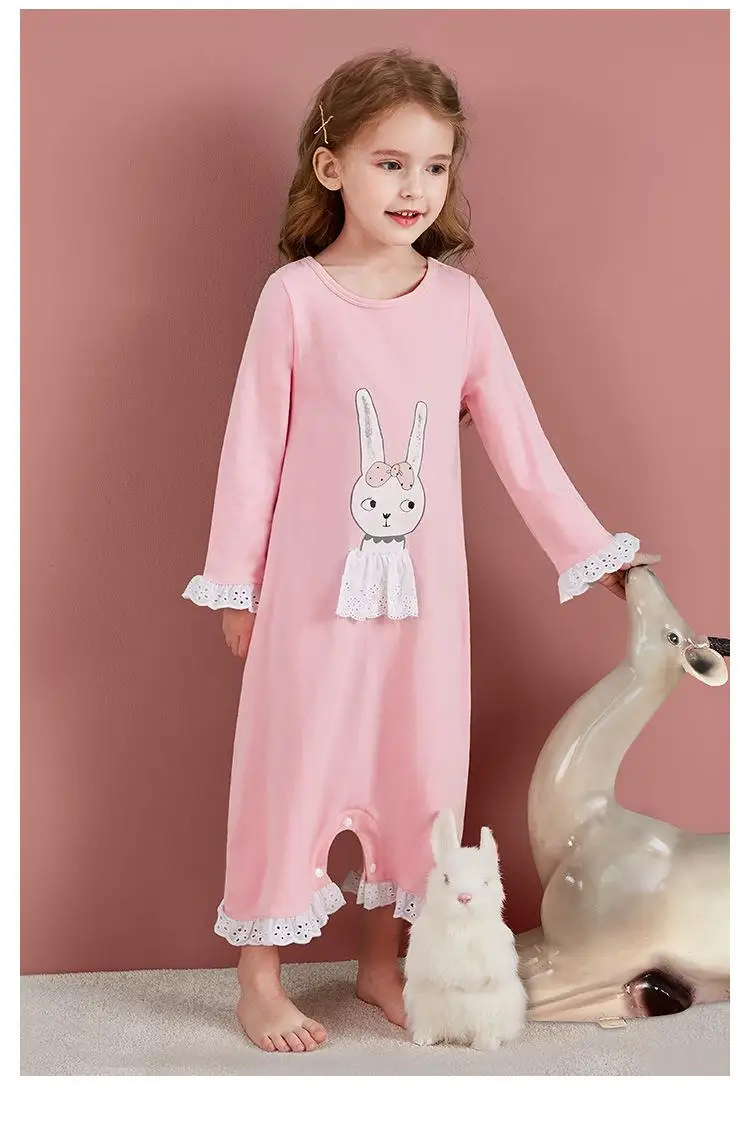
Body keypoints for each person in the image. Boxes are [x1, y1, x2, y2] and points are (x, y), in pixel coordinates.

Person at [183, 48, 657, 1054]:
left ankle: (383, 961)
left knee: (419, 772)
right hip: (310, 600)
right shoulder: (296, 299)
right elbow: (251, 450)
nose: (415, 187)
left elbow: (523, 448)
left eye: (435, 166)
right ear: (331, 168)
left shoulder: (460, 307)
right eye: (390, 162)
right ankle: (258, 976)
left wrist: (596, 552)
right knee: (291, 764)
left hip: (426, 608)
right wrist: (236, 584)